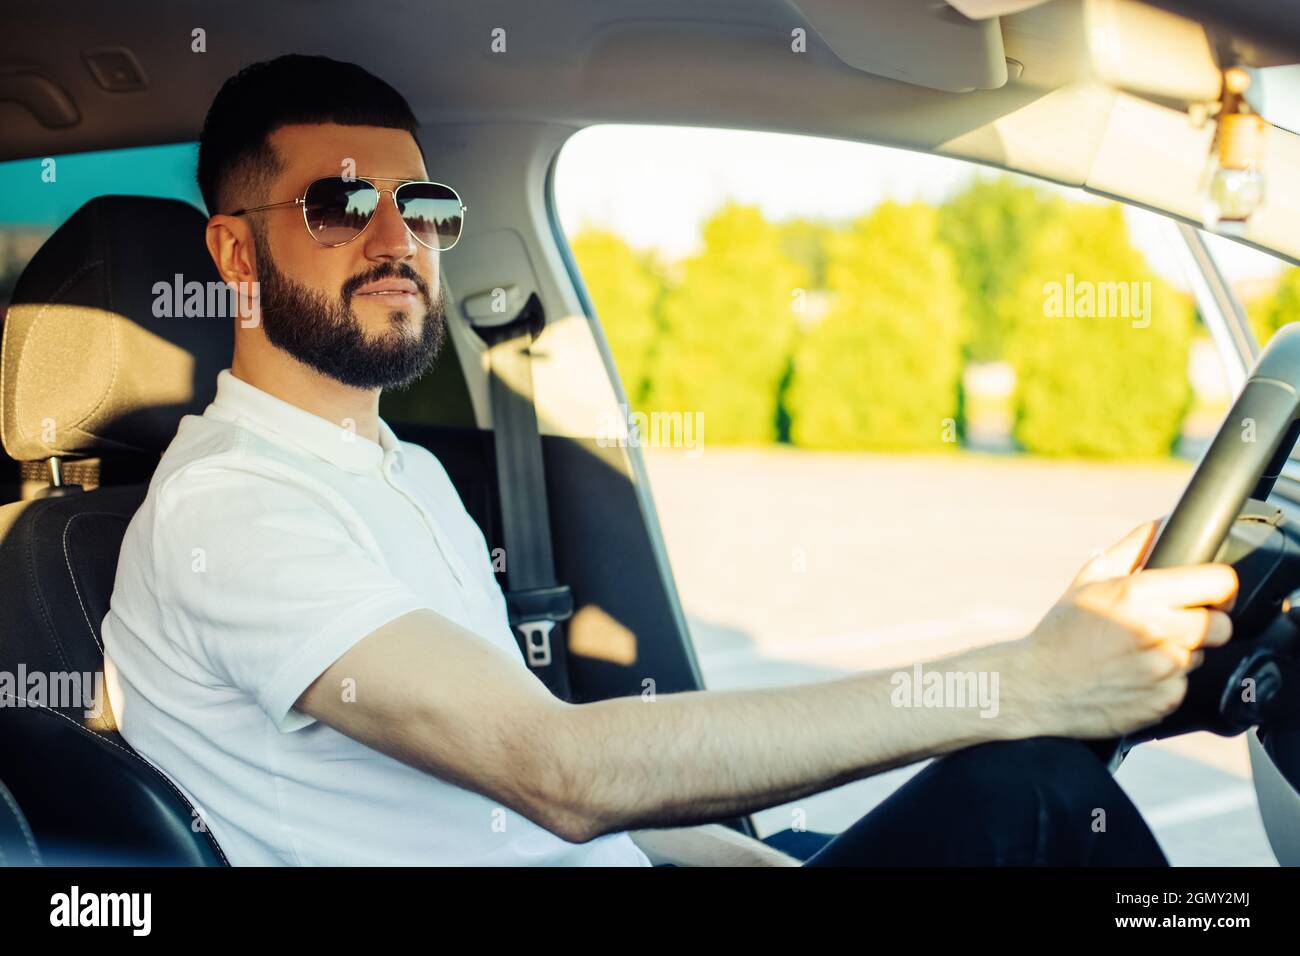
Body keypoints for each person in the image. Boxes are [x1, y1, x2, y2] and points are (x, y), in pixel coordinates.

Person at [102, 54, 1237, 867]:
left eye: (424, 204)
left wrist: (749, 856)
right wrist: (1024, 680)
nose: (399, 240)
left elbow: (546, 780)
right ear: (233, 251)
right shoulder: (229, 512)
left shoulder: (400, 469)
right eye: (341, 203)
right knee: (1027, 791)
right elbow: (556, 766)